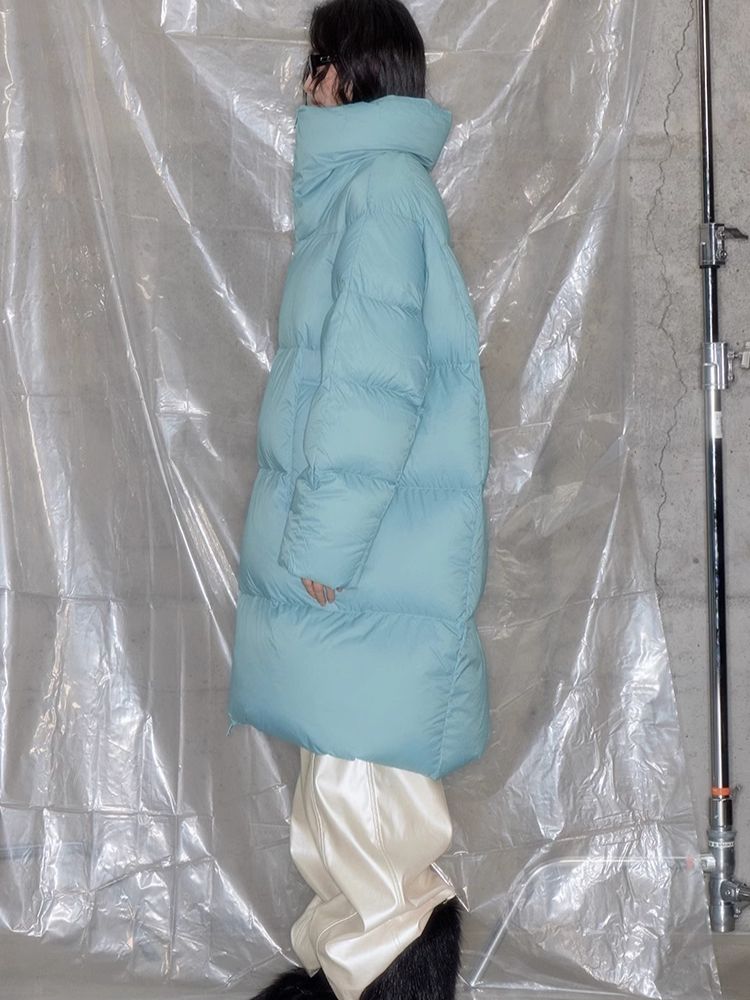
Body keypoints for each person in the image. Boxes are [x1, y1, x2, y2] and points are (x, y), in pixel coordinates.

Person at [227, 1, 492, 998]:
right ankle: (344, 972)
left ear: (352, 73)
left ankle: (392, 979)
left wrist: (325, 548)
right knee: (338, 806)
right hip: (362, 567)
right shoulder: (365, 193)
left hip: (364, 565)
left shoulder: (380, 193)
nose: (305, 83)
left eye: (317, 63)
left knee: (363, 800)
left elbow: (371, 392)